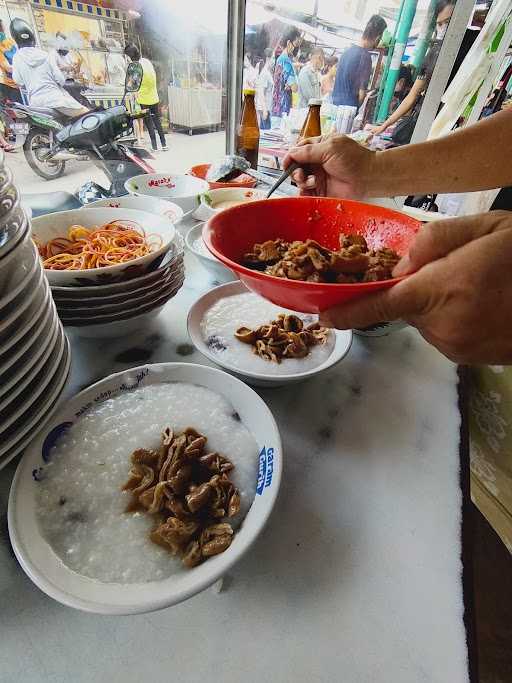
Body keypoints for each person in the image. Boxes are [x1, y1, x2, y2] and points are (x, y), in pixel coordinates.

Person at [370, 0, 455, 140]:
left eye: (449, 21)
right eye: (440, 24)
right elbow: (413, 94)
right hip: (424, 121)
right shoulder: (433, 53)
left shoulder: (473, 44)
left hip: (450, 124)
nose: (444, 27)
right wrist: (384, 125)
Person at [10, 19, 89, 118]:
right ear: (33, 38)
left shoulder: (17, 58)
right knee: (88, 115)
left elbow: (18, 81)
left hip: (36, 104)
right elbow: (60, 79)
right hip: (56, 100)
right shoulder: (46, 55)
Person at [332, 15, 387, 109]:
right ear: (378, 38)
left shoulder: (347, 51)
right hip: (348, 110)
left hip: (334, 104)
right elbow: (362, 94)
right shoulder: (365, 57)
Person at [124, 43, 167, 152]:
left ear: (129, 56)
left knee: (149, 122)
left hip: (144, 98)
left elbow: (131, 85)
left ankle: (154, 147)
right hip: (154, 96)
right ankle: (164, 144)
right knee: (157, 121)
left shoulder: (135, 66)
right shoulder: (146, 61)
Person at [271, 27, 302, 124]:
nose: (296, 48)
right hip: (283, 109)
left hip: (276, 107)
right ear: (289, 43)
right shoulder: (286, 61)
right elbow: (295, 88)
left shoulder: (280, 59)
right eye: (296, 44)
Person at [0, 19, 21, 151]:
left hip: (13, 84)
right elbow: (6, 67)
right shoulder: (10, 42)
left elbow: (8, 66)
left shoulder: (10, 42)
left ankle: (17, 138)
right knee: (12, 113)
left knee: (15, 113)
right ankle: (13, 139)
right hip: (8, 84)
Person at [256, 48, 273, 130]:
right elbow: (261, 92)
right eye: (273, 58)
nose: (274, 60)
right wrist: (265, 110)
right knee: (266, 134)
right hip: (264, 108)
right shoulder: (265, 73)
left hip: (266, 108)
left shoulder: (267, 72)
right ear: (268, 59)